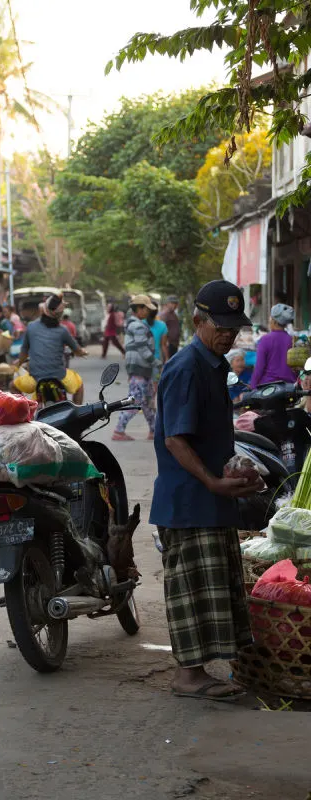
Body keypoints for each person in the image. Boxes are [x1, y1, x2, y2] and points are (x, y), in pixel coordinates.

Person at [151, 279, 260, 701]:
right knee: (192, 589)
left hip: (210, 499)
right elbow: (175, 439)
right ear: (198, 320)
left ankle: (198, 672)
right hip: (188, 500)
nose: (228, 335)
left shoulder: (214, 366)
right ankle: (188, 676)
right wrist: (213, 480)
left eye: (234, 327)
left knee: (212, 585)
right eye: (221, 326)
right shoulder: (186, 367)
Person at [19, 293, 87, 404]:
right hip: (60, 377)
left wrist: (16, 365)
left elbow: (24, 352)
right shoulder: (62, 330)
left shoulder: (31, 327)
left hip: (35, 379)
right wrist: (83, 352)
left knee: (13, 386)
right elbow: (77, 350)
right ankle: (77, 416)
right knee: (79, 386)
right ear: (60, 314)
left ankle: (23, 415)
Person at [113, 295, 157, 442]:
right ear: (139, 309)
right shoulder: (137, 325)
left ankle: (154, 430)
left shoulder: (135, 324)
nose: (148, 312)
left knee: (148, 402)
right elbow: (143, 348)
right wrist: (156, 362)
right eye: (146, 309)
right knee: (136, 401)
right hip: (139, 368)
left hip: (142, 370)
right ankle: (119, 430)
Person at [251, 303, 297, 387]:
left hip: (269, 387)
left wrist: (253, 386)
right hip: (290, 387)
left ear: (274, 321)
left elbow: (259, 367)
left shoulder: (265, 339)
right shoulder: (292, 340)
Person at [147, 305, 169, 392]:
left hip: (142, 360)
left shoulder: (140, 323)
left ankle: (145, 404)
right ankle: (151, 403)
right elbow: (163, 344)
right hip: (156, 359)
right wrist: (167, 358)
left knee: (142, 385)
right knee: (155, 385)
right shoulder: (162, 325)